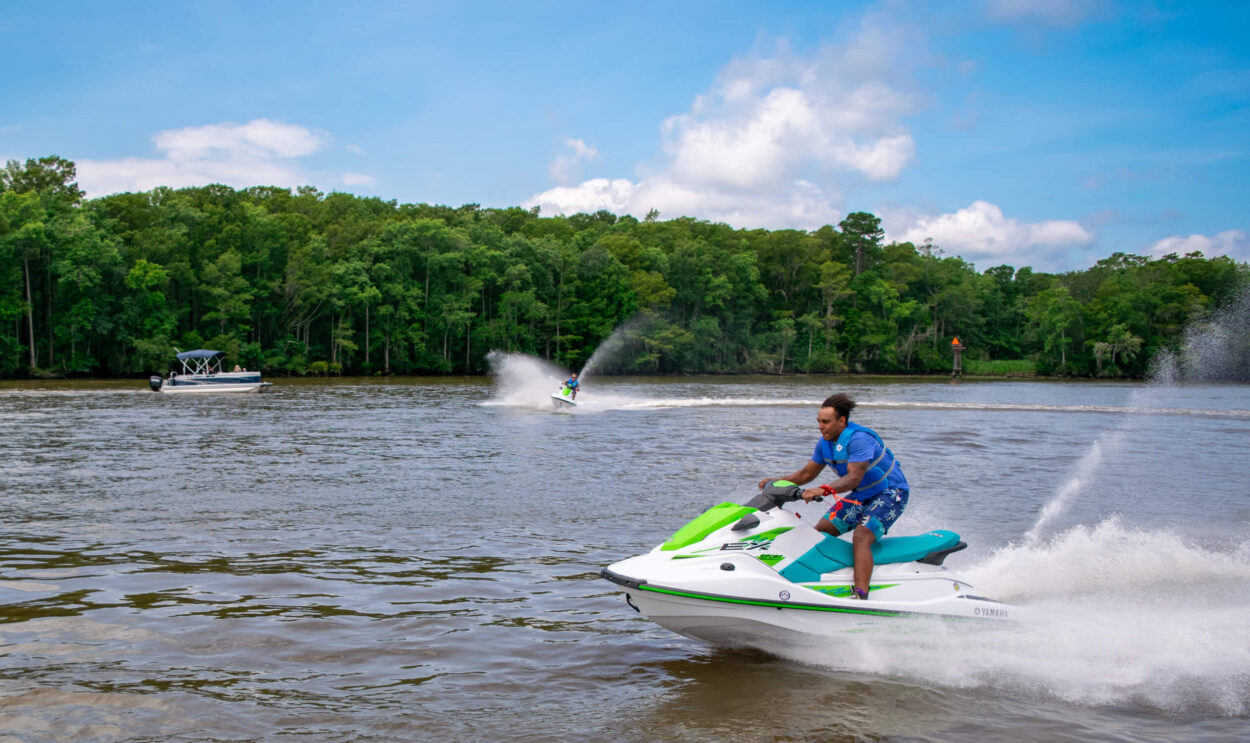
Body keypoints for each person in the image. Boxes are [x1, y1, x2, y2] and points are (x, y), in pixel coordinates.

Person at [758, 393, 909, 600]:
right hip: (863, 494)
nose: (821, 426)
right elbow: (806, 474)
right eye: (819, 421)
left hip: (891, 492)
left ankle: (861, 595)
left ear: (842, 421)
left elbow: (854, 478)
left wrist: (823, 490)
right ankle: (809, 579)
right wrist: (777, 482)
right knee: (819, 532)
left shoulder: (859, 440)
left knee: (862, 535)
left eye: (826, 422)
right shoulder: (824, 443)